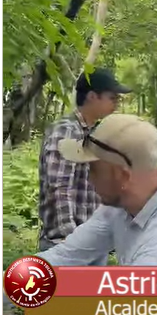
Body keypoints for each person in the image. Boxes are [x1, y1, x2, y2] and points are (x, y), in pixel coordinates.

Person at [36, 114, 157, 266]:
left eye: (93, 169)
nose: (89, 178)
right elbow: (66, 255)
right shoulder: (120, 207)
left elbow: (115, 308)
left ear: (122, 176)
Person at [38, 68, 130, 258]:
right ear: (92, 96)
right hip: (66, 243)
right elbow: (60, 188)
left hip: (88, 241)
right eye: (112, 97)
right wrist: (70, 237)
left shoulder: (93, 133)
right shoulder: (67, 132)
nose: (117, 103)